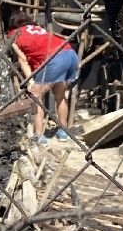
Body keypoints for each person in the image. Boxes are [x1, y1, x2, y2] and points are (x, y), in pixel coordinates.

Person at [6, 10, 80, 140]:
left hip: (54, 59)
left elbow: (22, 59)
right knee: (60, 95)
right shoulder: (38, 28)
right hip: (70, 53)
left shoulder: (13, 35)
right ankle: (63, 132)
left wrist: (31, 82)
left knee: (36, 97)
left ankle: (39, 137)